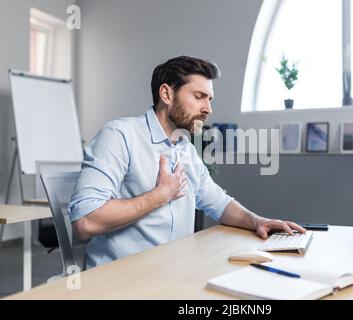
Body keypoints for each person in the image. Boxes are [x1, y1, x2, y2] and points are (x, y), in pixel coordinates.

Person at [68, 56, 306, 268]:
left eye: (210, 99)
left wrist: (258, 221)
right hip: (120, 280)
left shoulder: (185, 148)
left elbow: (218, 203)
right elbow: (85, 221)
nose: (208, 109)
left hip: (173, 271)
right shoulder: (120, 135)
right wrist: (159, 195)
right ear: (166, 94)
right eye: (199, 96)